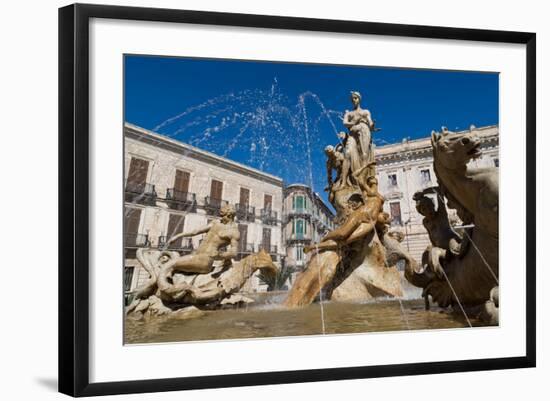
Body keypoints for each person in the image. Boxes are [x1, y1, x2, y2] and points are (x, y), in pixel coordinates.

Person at [157, 205, 240, 291]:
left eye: (222, 215)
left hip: (205, 260)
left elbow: (234, 252)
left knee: (171, 264)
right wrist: (178, 236)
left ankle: (167, 287)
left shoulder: (233, 232)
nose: (220, 217)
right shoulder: (215, 223)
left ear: (230, 216)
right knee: (172, 263)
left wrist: (220, 255)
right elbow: (195, 231)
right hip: (196, 255)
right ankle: (170, 276)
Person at [304, 173, 385, 253]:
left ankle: (315, 247)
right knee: (342, 234)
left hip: (370, 222)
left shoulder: (374, 194)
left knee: (345, 242)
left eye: (373, 179)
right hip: (360, 214)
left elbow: (379, 211)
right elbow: (359, 181)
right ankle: (323, 239)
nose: (373, 180)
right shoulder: (367, 192)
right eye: (371, 179)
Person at [343, 91, 375, 174]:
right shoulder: (349, 113)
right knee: (348, 152)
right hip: (352, 134)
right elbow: (345, 123)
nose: (354, 100)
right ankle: (344, 180)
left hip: (364, 131)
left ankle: (363, 177)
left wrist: (372, 125)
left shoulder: (365, 111)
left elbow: (370, 122)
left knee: (364, 154)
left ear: (359, 99)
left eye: (355, 98)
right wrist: (353, 123)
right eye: (352, 99)